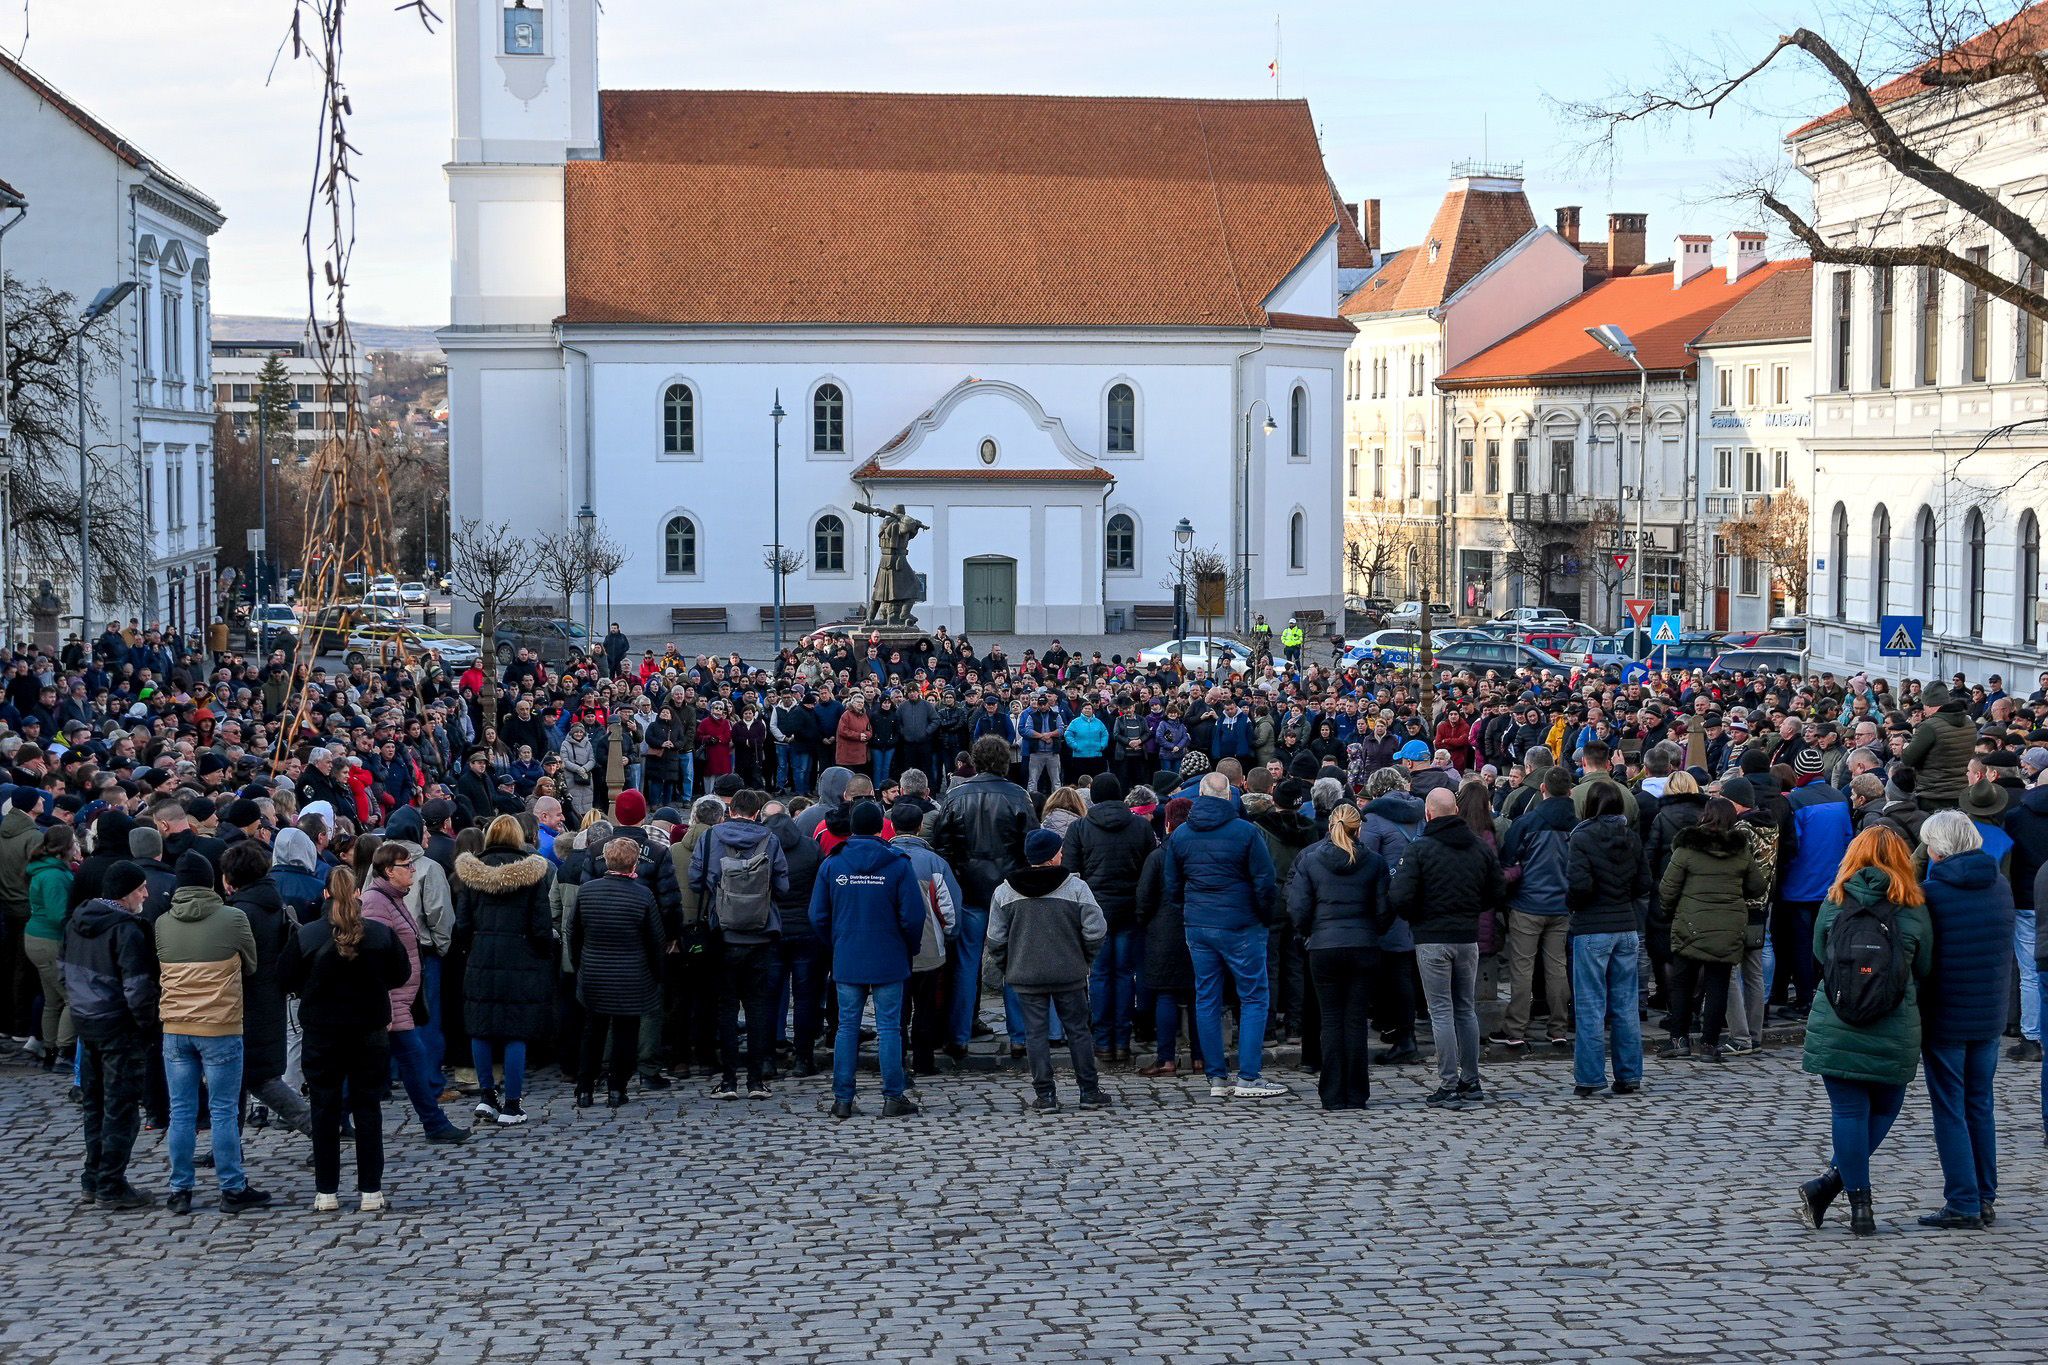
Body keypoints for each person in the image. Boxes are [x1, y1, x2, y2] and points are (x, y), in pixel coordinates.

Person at [1796, 827, 1933, 1237]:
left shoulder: (1835, 899)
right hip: (1894, 1020)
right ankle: (1829, 1183)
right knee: (1886, 1108)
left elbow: (1820, 954)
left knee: (1848, 1112)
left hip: (1838, 1019)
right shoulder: (1913, 905)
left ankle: (1859, 1207)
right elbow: (1924, 966)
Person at [278, 864, 410, 1214]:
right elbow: (401, 973)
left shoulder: (307, 935)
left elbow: (284, 977)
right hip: (369, 1029)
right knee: (368, 1108)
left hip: (322, 1031)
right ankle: (371, 1190)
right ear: (357, 894)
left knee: (324, 1108)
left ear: (325, 894)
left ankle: (326, 1191)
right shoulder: (380, 934)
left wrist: (310, 988)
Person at [153, 850, 270, 1215]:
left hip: (175, 1027)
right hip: (221, 1025)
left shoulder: (162, 923)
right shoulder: (233, 918)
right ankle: (232, 1188)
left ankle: (180, 1189)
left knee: (181, 1112)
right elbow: (251, 965)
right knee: (223, 1110)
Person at [1915, 810, 2014, 1229]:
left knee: (1950, 1108)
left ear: (1937, 850)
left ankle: (1963, 1200)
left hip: (1946, 1016)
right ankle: (1985, 1195)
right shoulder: (2000, 885)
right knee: (1980, 1104)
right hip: (1988, 1013)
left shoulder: (1932, 894)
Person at [1163, 771, 1281, 1099]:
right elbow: (1265, 881)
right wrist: (1263, 916)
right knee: (1254, 996)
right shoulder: (1246, 831)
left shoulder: (1182, 834)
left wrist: (1190, 909)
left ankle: (1216, 1077)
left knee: (1207, 998)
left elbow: (1172, 884)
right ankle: (1249, 1076)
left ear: (1200, 795)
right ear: (1229, 795)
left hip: (1199, 924)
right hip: (1242, 923)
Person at [809, 800, 926, 1120]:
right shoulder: (897, 863)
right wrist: (909, 947)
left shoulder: (833, 863)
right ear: (880, 828)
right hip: (889, 954)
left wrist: (836, 942)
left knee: (847, 1027)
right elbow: (913, 916)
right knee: (889, 1027)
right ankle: (893, 1096)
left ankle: (842, 1099)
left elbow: (817, 915)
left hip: (848, 953)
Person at [1389, 786, 1502, 1106]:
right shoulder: (1478, 847)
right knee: (1465, 1008)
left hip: (1432, 937)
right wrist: (1471, 909)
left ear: (1428, 813)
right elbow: (1496, 891)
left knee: (1441, 1011)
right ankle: (1471, 1080)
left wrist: (1418, 917)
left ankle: (1449, 1083)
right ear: (1456, 811)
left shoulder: (1419, 849)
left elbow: (1400, 896)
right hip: (1467, 936)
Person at [930, 735, 1037, 1058]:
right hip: (1010, 889)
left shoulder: (956, 795)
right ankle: (1019, 1036)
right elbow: (1031, 844)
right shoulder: (1018, 795)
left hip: (969, 889)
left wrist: (957, 878)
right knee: (1014, 964)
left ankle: (959, 1035)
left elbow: (943, 846)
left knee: (965, 964)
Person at [987, 827, 1109, 1112]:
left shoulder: (1005, 891)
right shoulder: (1076, 887)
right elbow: (1096, 930)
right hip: (1069, 972)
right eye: (1060, 851)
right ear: (1053, 856)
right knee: (1078, 1031)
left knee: (1035, 1034)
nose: (1063, 854)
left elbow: (995, 939)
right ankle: (1089, 1091)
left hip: (1026, 973)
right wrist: (1084, 958)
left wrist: (1010, 964)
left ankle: (1045, 1096)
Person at [62, 862, 158, 1210]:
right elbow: (138, 988)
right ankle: (111, 1184)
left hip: (88, 1023)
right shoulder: (126, 930)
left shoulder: (77, 923)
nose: (146, 894)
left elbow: (63, 972)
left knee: (95, 1105)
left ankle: (93, 1178)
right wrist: (148, 1025)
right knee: (120, 1108)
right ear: (125, 894)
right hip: (119, 1028)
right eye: (141, 888)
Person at [359, 842, 468, 1144]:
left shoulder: (393, 898)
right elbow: (375, 954)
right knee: (401, 1061)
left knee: (403, 1061)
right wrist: (385, 1004)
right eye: (406, 866)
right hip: (390, 1002)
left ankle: (434, 1123)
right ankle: (434, 1123)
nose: (412, 870)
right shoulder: (376, 902)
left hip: (400, 999)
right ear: (389, 871)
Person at [689, 788, 791, 1100]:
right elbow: (783, 886)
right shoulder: (769, 839)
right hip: (761, 932)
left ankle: (729, 1080)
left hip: (723, 932)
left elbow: (696, 880)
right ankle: (756, 1080)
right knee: (758, 1006)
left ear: (730, 810)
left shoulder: (710, 837)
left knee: (727, 1007)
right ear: (757, 813)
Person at [453, 815, 556, 1126]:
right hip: (520, 959)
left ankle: (487, 1096)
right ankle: (512, 1104)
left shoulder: (472, 874)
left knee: (481, 1028)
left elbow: (463, 924)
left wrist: (472, 949)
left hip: (481, 957)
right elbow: (541, 926)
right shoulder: (532, 874)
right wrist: (542, 954)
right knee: (515, 1032)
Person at [1288, 803, 1390, 1110]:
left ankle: (1332, 1093)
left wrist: (1310, 933)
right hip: (1362, 944)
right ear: (1359, 829)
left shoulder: (1310, 860)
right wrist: (1372, 931)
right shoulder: (1374, 862)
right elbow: (1384, 910)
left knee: (1331, 1020)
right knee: (1355, 1020)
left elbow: (1298, 907)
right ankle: (1356, 1093)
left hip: (1324, 945)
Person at [1656, 797, 1765, 1064]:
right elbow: (1757, 886)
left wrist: (1671, 911)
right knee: (1717, 986)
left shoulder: (1687, 847)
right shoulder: (1740, 849)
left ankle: (1679, 1040)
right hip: (1728, 926)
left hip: (1690, 923)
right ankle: (1709, 1044)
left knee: (1682, 984)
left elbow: (1667, 887)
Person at [217, 841, 313, 1140]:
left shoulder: (240, 913)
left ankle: (322, 1131)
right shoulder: (273, 905)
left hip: (246, 1006)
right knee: (250, 1079)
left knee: (258, 1080)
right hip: (270, 1002)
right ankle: (228, 1148)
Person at [1060, 772, 1156, 1062]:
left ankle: (1103, 1041)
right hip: (1130, 909)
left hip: (1095, 909)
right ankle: (1122, 1040)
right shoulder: (1140, 826)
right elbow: (1150, 869)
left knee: (1100, 975)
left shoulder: (1080, 828)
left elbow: (1070, 873)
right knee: (1125, 974)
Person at [569, 837, 666, 1108]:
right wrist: (657, 974)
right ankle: (617, 1088)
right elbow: (655, 940)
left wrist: (580, 965)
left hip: (595, 973)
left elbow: (573, 932)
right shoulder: (642, 895)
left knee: (593, 1032)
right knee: (626, 1033)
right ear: (634, 863)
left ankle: (585, 1088)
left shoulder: (587, 892)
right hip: (631, 975)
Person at [1566, 784, 1649, 1099]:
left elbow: (1579, 885)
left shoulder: (1582, 837)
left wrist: (1574, 904)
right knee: (1626, 1005)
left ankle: (1590, 1076)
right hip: (1626, 925)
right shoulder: (1631, 837)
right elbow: (1643, 882)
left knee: (1590, 1005)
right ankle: (1629, 1074)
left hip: (1592, 926)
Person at [1493, 765, 1574, 1050]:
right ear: (1570, 791)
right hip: (1561, 904)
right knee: (1557, 967)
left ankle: (1516, 1028)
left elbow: (1507, 860)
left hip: (1528, 903)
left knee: (1522, 968)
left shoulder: (1526, 822)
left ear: (1543, 789)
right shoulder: (1576, 824)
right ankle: (1558, 1027)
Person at [23, 824, 78, 1072]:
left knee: (52, 1000)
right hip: (50, 940)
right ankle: (63, 1053)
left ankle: (50, 1051)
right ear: (65, 847)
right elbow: (59, 915)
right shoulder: (54, 875)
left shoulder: (45, 869)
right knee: (71, 997)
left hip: (38, 937)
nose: (77, 846)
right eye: (74, 842)